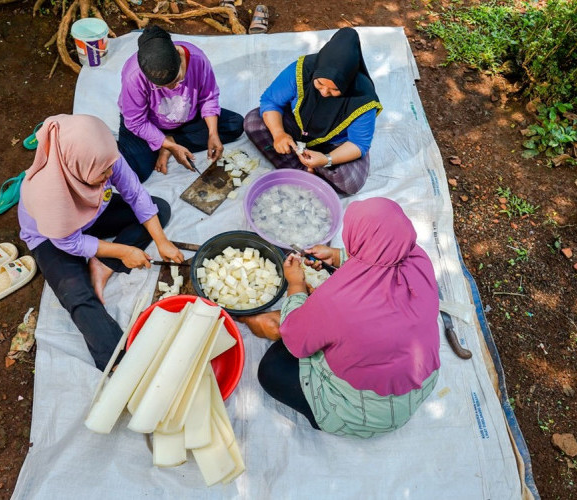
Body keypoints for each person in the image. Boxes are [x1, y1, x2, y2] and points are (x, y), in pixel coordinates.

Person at [240, 198, 440, 437]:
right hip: (417, 385)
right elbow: (382, 256)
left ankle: (331, 415)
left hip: (364, 414)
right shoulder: (418, 258)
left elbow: (296, 341)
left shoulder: (336, 301)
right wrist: (336, 256)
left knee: (272, 369)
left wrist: (296, 284)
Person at [18, 114, 184, 371]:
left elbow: (134, 192)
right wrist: (123, 250)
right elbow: (69, 243)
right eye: (102, 172)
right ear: (77, 169)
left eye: (110, 167)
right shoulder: (48, 194)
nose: (110, 175)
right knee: (77, 296)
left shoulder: (103, 157)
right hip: (54, 237)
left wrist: (161, 241)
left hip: (92, 214)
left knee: (157, 210)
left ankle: (102, 265)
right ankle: (119, 362)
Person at [244, 27, 382, 195]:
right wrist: (279, 133)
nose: (324, 93)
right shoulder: (302, 70)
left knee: (350, 182)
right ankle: (305, 170)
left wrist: (326, 160)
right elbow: (271, 101)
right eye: (319, 84)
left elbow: (358, 144)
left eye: (334, 90)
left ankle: (304, 168)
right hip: (297, 128)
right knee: (252, 122)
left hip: (334, 145)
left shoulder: (363, 98)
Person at [117, 25, 244, 182]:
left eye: (177, 80)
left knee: (235, 124)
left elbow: (208, 97)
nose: (173, 88)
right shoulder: (133, 76)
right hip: (147, 124)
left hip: (185, 118)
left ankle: (170, 141)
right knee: (134, 171)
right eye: (162, 87)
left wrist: (212, 133)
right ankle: (164, 142)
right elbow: (136, 121)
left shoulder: (198, 60)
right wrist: (167, 145)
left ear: (179, 57)